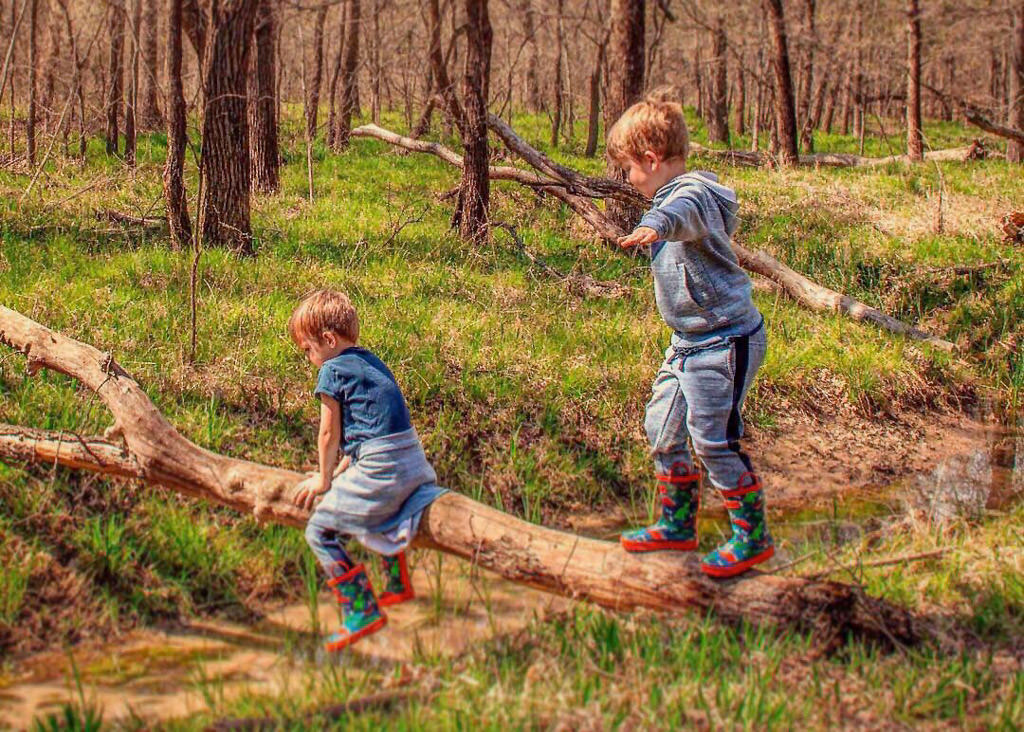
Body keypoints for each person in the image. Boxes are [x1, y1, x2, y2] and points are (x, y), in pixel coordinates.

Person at [607, 96, 774, 577]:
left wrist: (654, 226)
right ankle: (678, 523)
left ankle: (752, 537)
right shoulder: (673, 196)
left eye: (628, 170)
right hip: (686, 343)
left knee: (713, 440)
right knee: (661, 429)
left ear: (651, 161)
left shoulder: (693, 195)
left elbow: (680, 212)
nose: (627, 180)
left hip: (724, 341)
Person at [289, 290, 445, 650]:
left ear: (328, 340)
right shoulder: (372, 362)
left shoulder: (332, 370)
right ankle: (396, 581)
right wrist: (344, 469)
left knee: (320, 531)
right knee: (368, 507)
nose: (309, 358)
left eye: (307, 350)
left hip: (383, 469)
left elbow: (330, 434)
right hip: (413, 462)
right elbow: (370, 430)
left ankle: (361, 609)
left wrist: (324, 478)